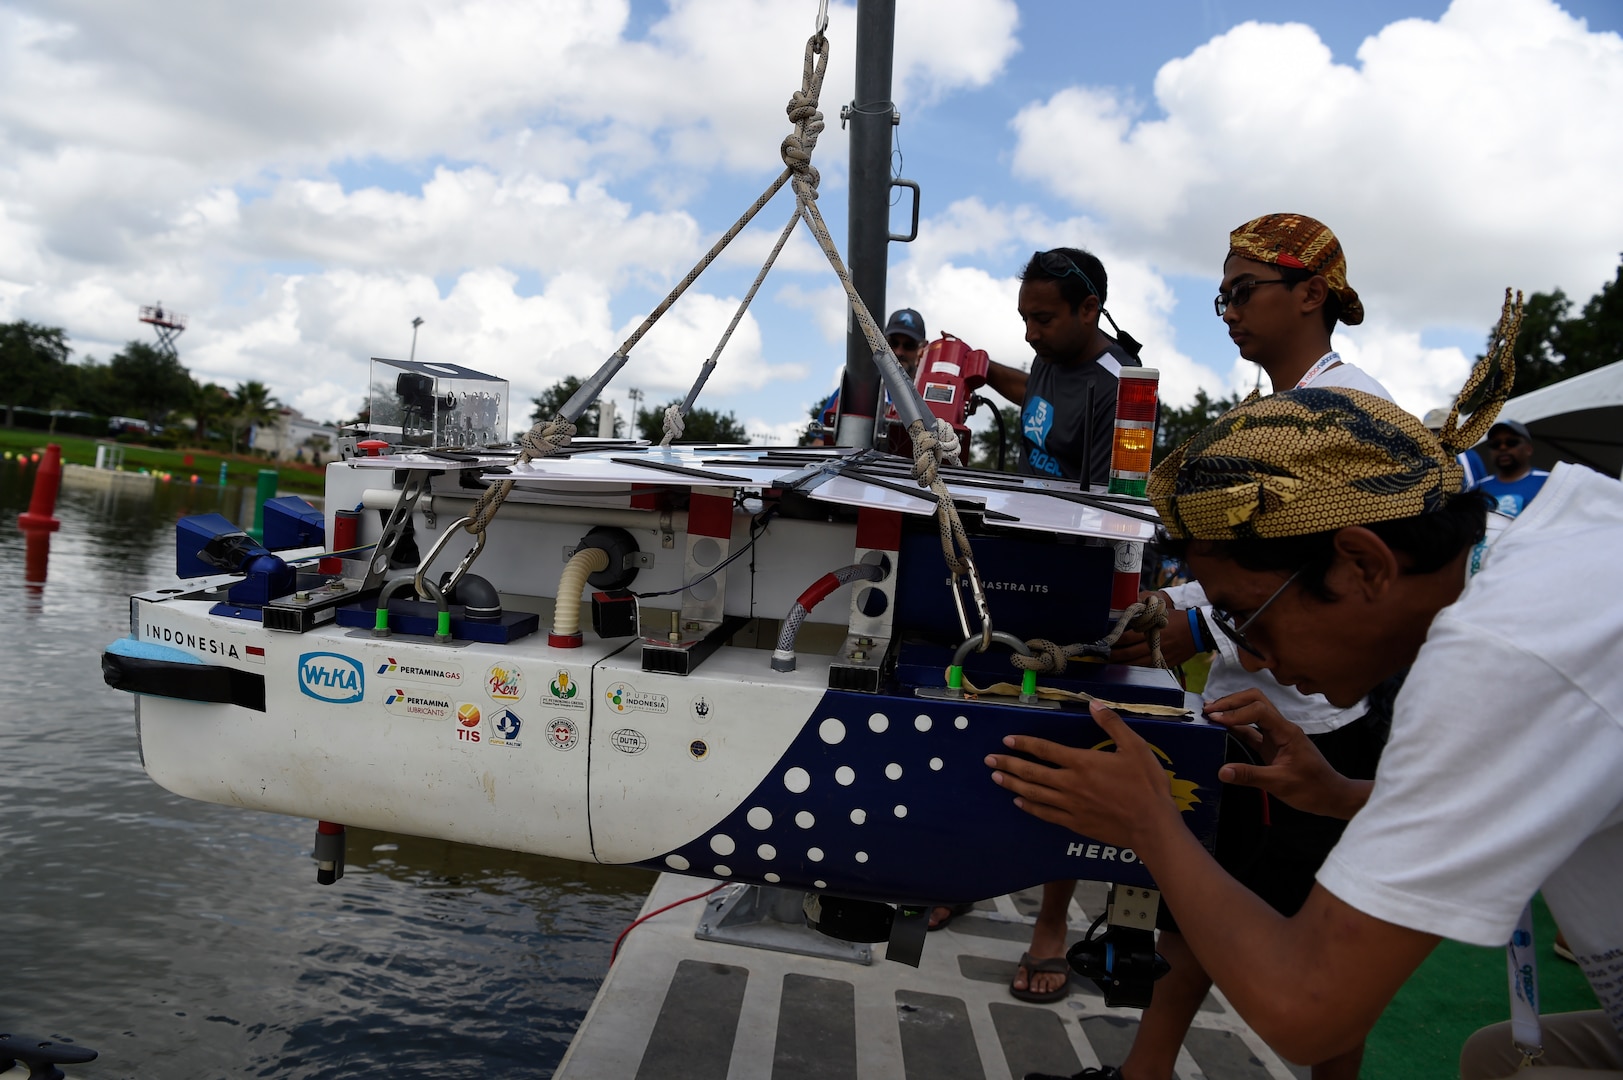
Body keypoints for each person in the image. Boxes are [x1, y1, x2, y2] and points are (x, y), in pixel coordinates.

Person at [987, 363, 1623, 1076]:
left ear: (1362, 562)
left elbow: (1306, 1013)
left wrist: (1150, 824)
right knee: (1495, 1057)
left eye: (1241, 616)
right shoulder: (1544, 549)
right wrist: (1341, 796)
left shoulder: (1499, 653)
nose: (1250, 656)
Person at [1081, 213, 1390, 1080]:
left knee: (1326, 950)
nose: (1225, 309)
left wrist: (1199, 617)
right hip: (1240, 709)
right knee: (1193, 918)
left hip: (1316, 726)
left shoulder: (1356, 414)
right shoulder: (1274, 414)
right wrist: (1171, 602)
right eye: (1218, 293)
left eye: (1240, 290)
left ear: (1309, 293)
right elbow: (1246, 563)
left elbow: (1340, 577)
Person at [984, 248, 1142, 486]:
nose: (1030, 334)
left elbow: (1112, 508)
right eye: (1025, 319)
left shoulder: (1125, 393)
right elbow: (1036, 392)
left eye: (1044, 319)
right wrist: (974, 363)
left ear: (1088, 309)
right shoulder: (1051, 352)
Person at [812, 307, 931, 441]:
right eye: (893, 343)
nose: (899, 352)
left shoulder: (930, 397)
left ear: (923, 349)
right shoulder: (853, 391)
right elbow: (820, 443)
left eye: (909, 345)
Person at [1477, 419, 1550, 517]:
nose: (1502, 448)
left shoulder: (1549, 481)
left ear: (1528, 449)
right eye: (1495, 444)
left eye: (1511, 442)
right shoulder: (1478, 488)